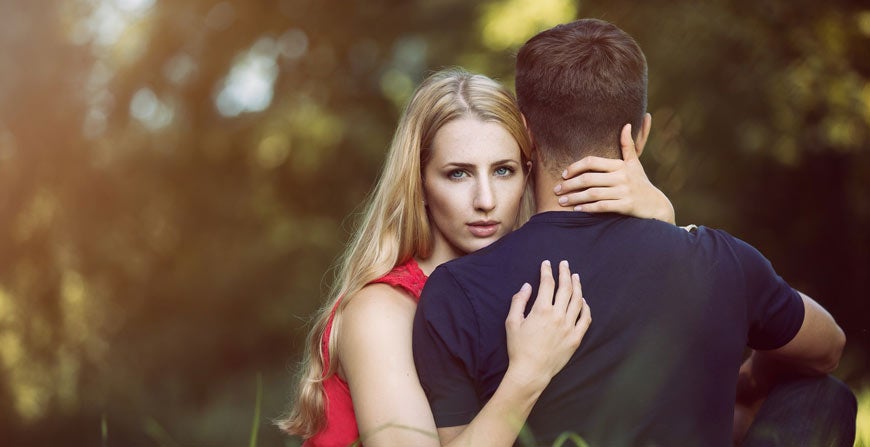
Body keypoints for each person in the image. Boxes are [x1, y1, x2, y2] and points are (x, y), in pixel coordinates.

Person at [412, 19, 856, 447]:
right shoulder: (723, 262)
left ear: (525, 134)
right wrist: (754, 374)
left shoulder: (454, 291)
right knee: (824, 394)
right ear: (640, 135)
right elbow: (827, 346)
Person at [277, 68, 676, 446]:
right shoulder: (380, 312)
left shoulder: (534, 287)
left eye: (503, 171)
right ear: (418, 181)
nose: (485, 201)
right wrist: (528, 373)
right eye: (458, 173)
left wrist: (664, 224)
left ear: (528, 172)